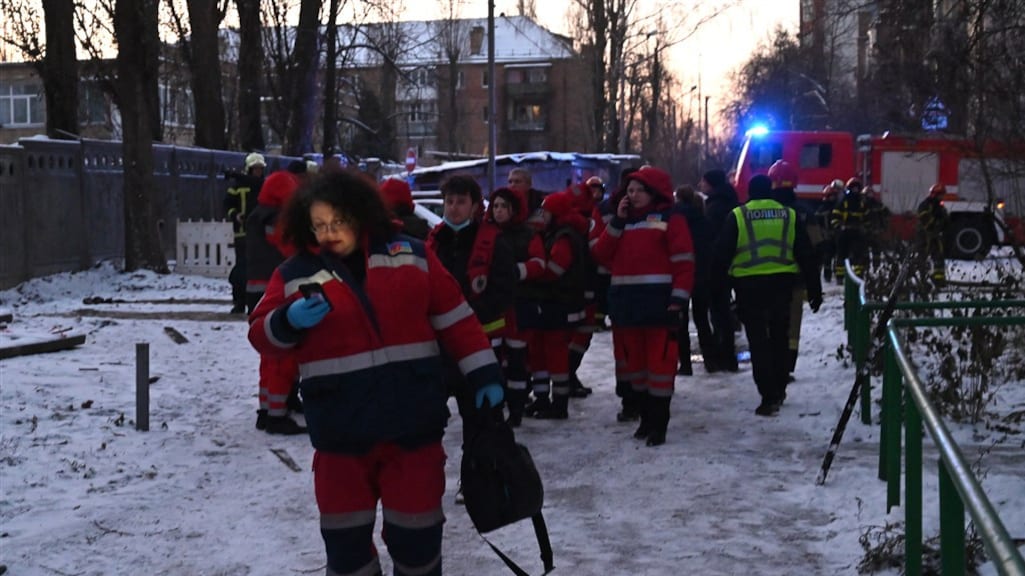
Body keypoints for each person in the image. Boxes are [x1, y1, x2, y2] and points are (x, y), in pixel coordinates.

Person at [248, 169, 504, 576]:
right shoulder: (294, 273)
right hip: (340, 435)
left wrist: (484, 373)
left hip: (412, 429)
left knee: (417, 540)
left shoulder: (413, 254)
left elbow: (456, 319)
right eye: (320, 222)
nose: (331, 230)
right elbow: (261, 335)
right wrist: (287, 320)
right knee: (346, 547)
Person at [592, 167, 695, 446]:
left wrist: (678, 299)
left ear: (653, 193)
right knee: (635, 367)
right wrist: (617, 223)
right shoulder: (620, 222)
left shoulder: (671, 219)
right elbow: (600, 254)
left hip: (660, 305)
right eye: (630, 190)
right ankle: (646, 419)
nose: (632, 195)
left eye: (639, 190)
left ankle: (658, 424)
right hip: (626, 307)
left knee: (660, 367)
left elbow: (684, 262)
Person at [713, 174, 822, 417]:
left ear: (750, 192)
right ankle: (780, 388)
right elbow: (806, 254)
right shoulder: (789, 215)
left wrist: (718, 289)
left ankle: (768, 395)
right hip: (782, 284)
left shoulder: (738, 215)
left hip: (748, 287)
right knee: (780, 338)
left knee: (758, 341)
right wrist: (814, 289)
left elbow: (721, 255)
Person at [427, 174, 517, 434]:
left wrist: (464, 318)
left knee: (483, 427)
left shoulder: (493, 242)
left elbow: (504, 291)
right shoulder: (434, 242)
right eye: (449, 201)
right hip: (439, 349)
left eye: (461, 202)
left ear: (476, 206)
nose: (453, 207)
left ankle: (481, 472)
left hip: (481, 345)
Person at [517, 189, 592, 420]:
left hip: (559, 303)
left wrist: (531, 271)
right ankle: (543, 401)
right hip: (552, 303)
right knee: (540, 351)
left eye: (546, 211)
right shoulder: (559, 234)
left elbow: (555, 270)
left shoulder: (564, 237)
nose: (542, 215)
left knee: (555, 354)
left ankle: (559, 404)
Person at [245, 169, 305, 434]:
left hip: (260, 291)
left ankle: (269, 407)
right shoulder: (276, 221)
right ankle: (277, 413)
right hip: (278, 293)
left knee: (269, 356)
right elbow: (292, 249)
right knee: (283, 354)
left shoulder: (258, 216)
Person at [485, 186, 536, 426]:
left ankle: (516, 408)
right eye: (495, 206)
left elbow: (540, 264)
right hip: (494, 307)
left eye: (504, 206)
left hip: (519, 304)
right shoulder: (485, 234)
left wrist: (515, 271)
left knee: (517, 360)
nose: (498, 211)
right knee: (493, 360)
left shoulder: (527, 234)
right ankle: (494, 408)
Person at [768, 160, 820, 380]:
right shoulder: (804, 213)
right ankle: (786, 367)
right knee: (791, 327)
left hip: (764, 279)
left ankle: (769, 365)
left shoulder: (760, 212)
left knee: (769, 324)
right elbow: (816, 248)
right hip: (796, 279)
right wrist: (814, 285)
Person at [699, 168, 741, 373]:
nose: (700, 185)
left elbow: (711, 238)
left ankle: (725, 354)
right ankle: (727, 353)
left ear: (712, 184)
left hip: (717, 265)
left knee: (719, 311)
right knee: (723, 309)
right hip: (735, 264)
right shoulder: (730, 201)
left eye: (703, 181)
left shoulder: (715, 206)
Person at [673, 184, 714, 376]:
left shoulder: (675, 220)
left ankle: (685, 365)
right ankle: (710, 361)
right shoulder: (705, 221)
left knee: (680, 323)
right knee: (702, 319)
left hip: (681, 275)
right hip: (702, 275)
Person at [225, 152, 266, 314]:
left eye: (260, 169)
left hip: (260, 236)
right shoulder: (237, 187)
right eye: (255, 169)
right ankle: (239, 301)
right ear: (249, 169)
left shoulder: (263, 185)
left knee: (257, 271)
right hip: (242, 234)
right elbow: (227, 205)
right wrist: (235, 215)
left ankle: (253, 303)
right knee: (242, 269)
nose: (258, 172)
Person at [830, 177, 870, 281]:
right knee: (842, 254)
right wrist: (838, 228)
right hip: (845, 232)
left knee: (858, 255)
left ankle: (858, 277)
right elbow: (835, 217)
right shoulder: (843, 202)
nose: (855, 190)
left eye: (857, 188)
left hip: (857, 232)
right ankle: (840, 276)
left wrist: (866, 228)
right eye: (853, 188)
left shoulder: (862, 203)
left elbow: (867, 218)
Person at [917, 183, 949, 284]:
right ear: (935, 194)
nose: (942, 197)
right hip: (925, 236)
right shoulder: (926, 204)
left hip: (935, 236)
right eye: (941, 195)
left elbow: (944, 219)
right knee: (922, 258)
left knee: (939, 257)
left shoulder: (939, 206)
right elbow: (923, 218)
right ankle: (922, 280)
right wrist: (933, 225)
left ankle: (939, 280)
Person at [817, 180, 844, 282]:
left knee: (839, 256)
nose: (833, 197)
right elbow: (818, 224)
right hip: (827, 236)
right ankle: (827, 276)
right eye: (831, 195)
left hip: (837, 235)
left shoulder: (838, 207)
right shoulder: (822, 209)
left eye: (834, 195)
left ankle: (839, 276)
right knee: (827, 257)